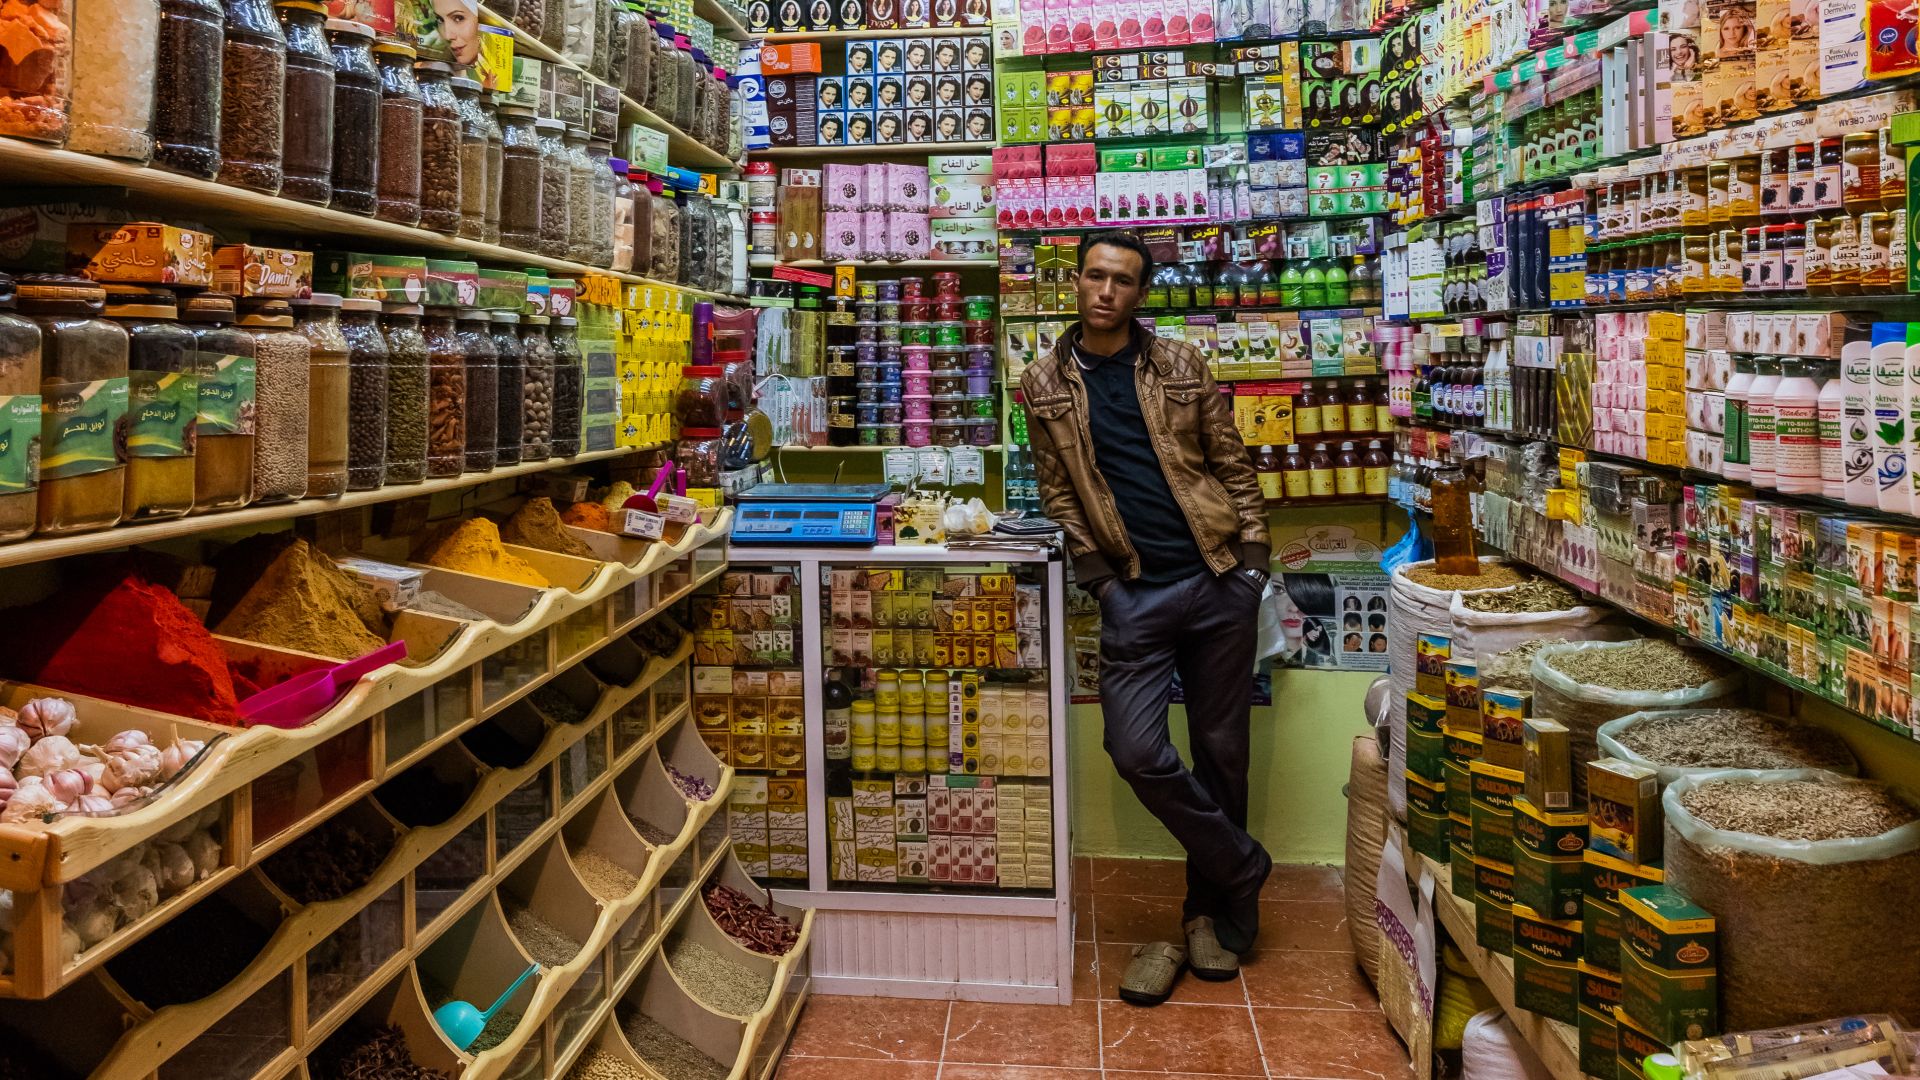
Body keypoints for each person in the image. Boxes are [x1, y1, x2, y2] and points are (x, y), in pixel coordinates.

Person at [1020, 231, 1273, 1003]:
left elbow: (1230, 458)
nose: (1105, 291)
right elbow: (1058, 488)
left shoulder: (1181, 365)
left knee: (1222, 750)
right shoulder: (1041, 381)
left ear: (1140, 293)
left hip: (1217, 579)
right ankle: (1243, 862)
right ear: (1076, 282)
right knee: (1135, 749)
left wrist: (1256, 553)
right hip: (1133, 591)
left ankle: (1214, 910)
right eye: (1094, 276)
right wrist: (1102, 582)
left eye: (1122, 280)